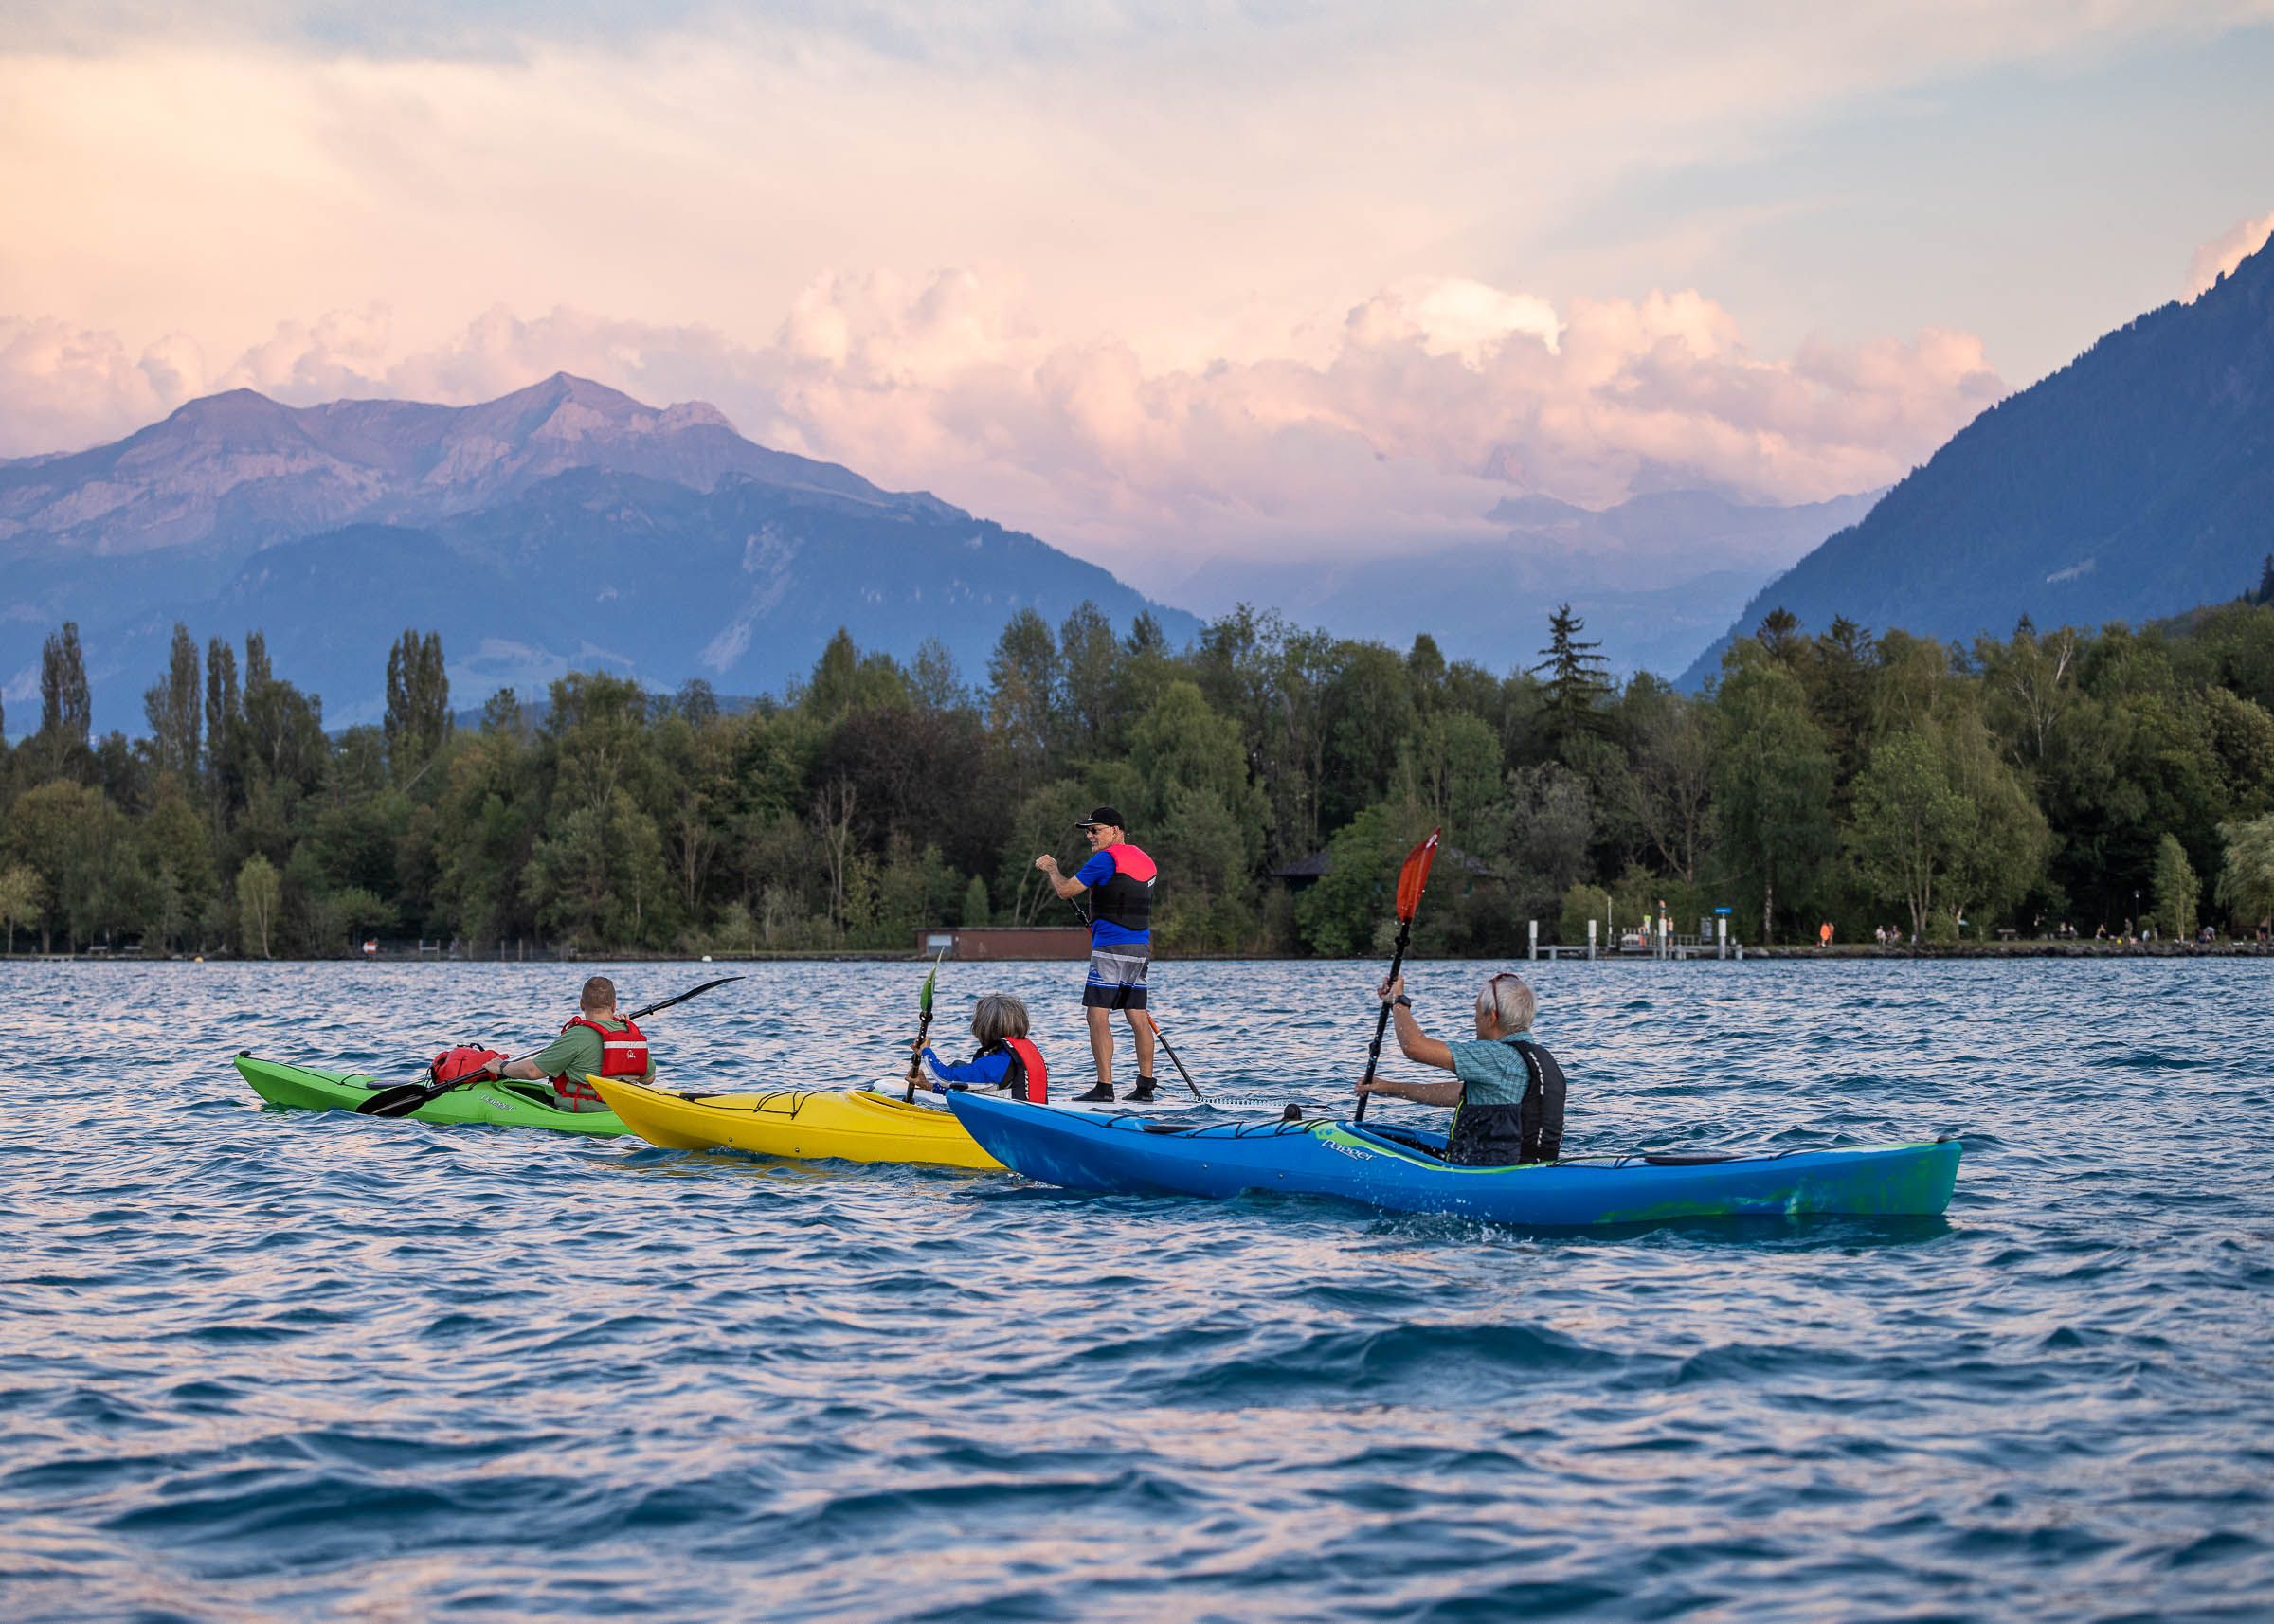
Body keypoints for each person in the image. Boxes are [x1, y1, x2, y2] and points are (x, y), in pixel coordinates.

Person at [1354, 970, 1565, 1165]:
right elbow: (1463, 1094)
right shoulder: (1540, 1060)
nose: (1475, 1019)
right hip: (1527, 1170)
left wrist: (1398, 1000)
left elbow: (1414, 1047)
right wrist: (1387, 1087)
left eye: (1477, 1012)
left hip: (1490, 1176)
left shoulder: (1498, 1056)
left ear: (1492, 1018)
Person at [1036, 806, 1160, 1103]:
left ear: (1115, 831)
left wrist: (1052, 868)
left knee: (1096, 1015)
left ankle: (1104, 1088)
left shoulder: (1105, 859)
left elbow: (1066, 891)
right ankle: (1145, 1088)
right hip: (1140, 949)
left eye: (1095, 830)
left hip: (1110, 949)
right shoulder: (1146, 859)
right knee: (1137, 1017)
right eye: (1087, 831)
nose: (1089, 835)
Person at [476, 975, 654, 1112]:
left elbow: (532, 1071)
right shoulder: (631, 1033)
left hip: (585, 1115)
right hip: (625, 1111)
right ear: (614, 1006)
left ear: (581, 1004)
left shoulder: (576, 1035)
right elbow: (648, 1079)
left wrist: (502, 1067)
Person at [911, 993, 1048, 1103]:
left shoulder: (995, 1064)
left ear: (983, 1028)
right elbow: (982, 1090)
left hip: (1004, 1123)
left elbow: (945, 1078)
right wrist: (928, 1086)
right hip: (1023, 1115)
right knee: (960, 1066)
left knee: (957, 1068)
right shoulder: (1020, 1057)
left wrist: (925, 1051)